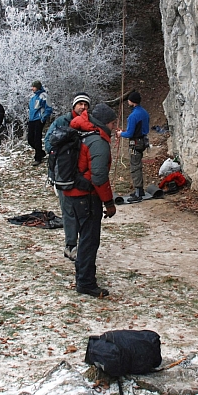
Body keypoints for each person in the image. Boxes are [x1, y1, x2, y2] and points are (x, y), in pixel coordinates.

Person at [62, 102, 118, 298]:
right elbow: (99, 177)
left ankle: (83, 277)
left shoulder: (80, 130)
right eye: (112, 123)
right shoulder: (98, 141)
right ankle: (86, 282)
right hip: (86, 196)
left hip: (71, 193)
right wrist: (109, 203)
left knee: (83, 238)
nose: (114, 127)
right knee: (89, 240)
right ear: (104, 122)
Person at [44, 92, 91, 261]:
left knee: (84, 211)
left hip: (81, 175)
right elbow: (48, 143)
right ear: (74, 106)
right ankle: (70, 245)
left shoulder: (88, 124)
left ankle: (82, 245)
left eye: (86, 105)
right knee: (68, 211)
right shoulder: (61, 122)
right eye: (80, 104)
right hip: (63, 175)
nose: (83, 107)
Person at [115, 91, 150, 201]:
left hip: (136, 143)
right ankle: (140, 190)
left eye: (129, 100)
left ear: (132, 102)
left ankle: (138, 192)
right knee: (138, 165)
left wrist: (121, 134)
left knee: (135, 167)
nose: (128, 102)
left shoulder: (133, 116)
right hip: (143, 140)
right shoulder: (144, 112)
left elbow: (130, 133)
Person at [28, 81, 52, 166]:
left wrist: (43, 118)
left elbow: (48, 108)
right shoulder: (33, 97)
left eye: (34, 87)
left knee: (37, 138)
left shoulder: (43, 96)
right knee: (30, 139)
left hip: (38, 119)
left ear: (37, 87)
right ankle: (41, 152)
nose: (32, 88)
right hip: (32, 120)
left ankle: (38, 158)